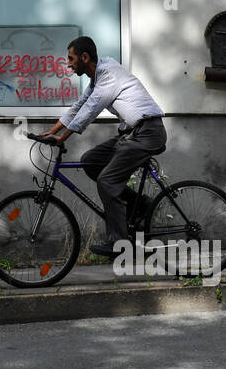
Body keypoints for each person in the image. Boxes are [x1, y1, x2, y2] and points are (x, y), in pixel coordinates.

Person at [38, 36, 166, 257]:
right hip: (132, 134)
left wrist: (63, 138)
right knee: (90, 161)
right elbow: (79, 106)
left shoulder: (108, 75)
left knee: (107, 181)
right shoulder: (97, 78)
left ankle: (119, 242)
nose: (68, 64)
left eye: (71, 58)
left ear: (84, 57)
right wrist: (52, 131)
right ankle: (140, 203)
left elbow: (90, 110)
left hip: (148, 133)